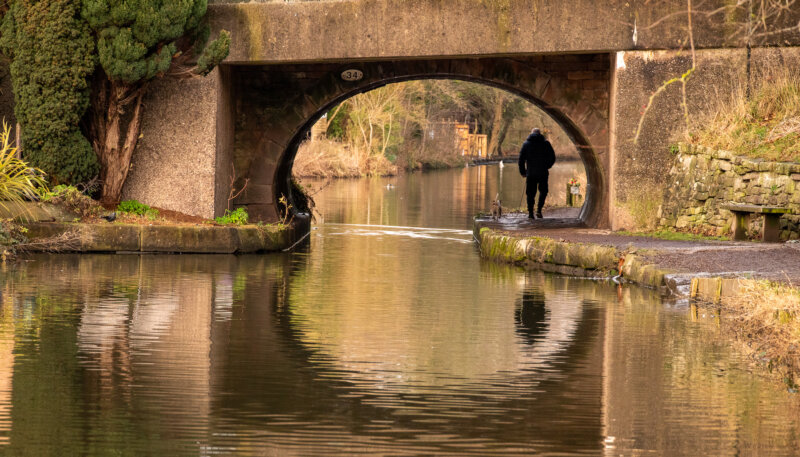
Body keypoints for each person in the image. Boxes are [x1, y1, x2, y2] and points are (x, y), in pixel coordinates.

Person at [518, 128, 556, 219]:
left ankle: (531, 213)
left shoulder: (526, 144)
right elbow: (552, 157)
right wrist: (547, 166)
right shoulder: (546, 144)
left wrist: (523, 172)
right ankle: (539, 210)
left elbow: (521, 160)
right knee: (543, 191)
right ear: (540, 134)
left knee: (530, 193)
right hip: (543, 172)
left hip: (531, 173)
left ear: (531, 133)